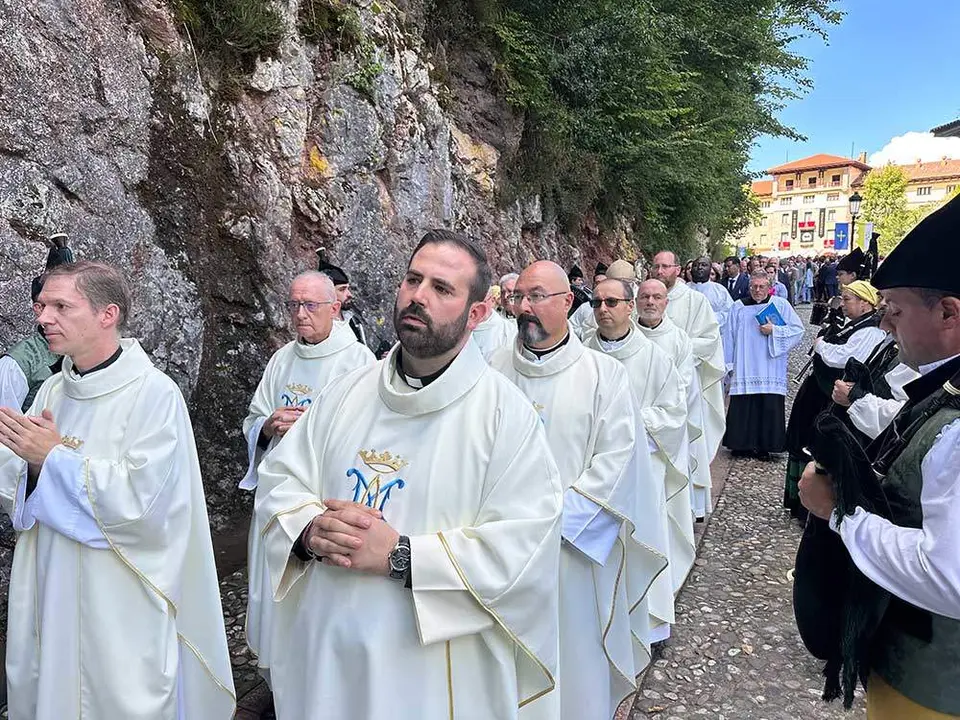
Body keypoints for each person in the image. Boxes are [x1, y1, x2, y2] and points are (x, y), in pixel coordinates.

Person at [255, 230, 562, 720]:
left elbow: (525, 547)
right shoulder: (344, 394)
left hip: (432, 675)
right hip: (327, 654)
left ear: (478, 313)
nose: (418, 295)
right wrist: (308, 528)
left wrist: (402, 556)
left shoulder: (505, 416)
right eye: (413, 279)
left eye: (442, 288)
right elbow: (281, 481)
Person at [0, 261, 235, 719]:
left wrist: (52, 459)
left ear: (108, 314)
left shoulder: (154, 395)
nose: (44, 318)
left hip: (120, 600)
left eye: (61, 306)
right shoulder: (52, 389)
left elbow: (144, 504)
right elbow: (24, 483)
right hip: (53, 587)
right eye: (42, 305)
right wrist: (28, 466)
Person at [799, 194, 960, 719]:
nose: (886, 325)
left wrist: (840, 514)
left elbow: (948, 576)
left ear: (948, 312)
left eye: (894, 310)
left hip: (935, 690)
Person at [490, 261, 658, 720]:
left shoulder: (603, 376)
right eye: (519, 296)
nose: (525, 307)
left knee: (572, 664)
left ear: (567, 302)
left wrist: (549, 522)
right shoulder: (489, 372)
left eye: (538, 296)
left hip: (570, 551)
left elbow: (618, 463)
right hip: (497, 551)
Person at [240, 271, 375, 685]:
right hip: (277, 495)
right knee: (269, 584)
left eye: (310, 305)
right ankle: (272, 677)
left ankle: (311, 678)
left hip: (318, 498)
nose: (300, 315)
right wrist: (266, 425)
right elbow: (253, 417)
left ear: (335, 307)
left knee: (308, 594)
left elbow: (367, 434)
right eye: (293, 305)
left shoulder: (357, 362)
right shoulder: (282, 359)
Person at [585, 278, 688, 641]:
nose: (603, 309)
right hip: (591, 472)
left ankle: (650, 628)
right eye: (596, 302)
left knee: (642, 540)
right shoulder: (581, 354)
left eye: (612, 302)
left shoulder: (654, 358)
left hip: (641, 468)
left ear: (629, 306)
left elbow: (674, 414)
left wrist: (628, 421)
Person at [784, 280, 887, 521]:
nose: (842, 304)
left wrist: (821, 346)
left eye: (848, 299)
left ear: (865, 303)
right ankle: (799, 500)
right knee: (803, 438)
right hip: (819, 393)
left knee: (820, 446)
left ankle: (813, 506)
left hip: (832, 399)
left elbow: (843, 358)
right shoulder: (854, 325)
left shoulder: (870, 331)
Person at [634, 279, 702, 582]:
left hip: (660, 437)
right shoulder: (620, 337)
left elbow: (682, 387)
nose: (650, 302)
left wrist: (642, 419)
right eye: (645, 297)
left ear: (666, 302)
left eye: (657, 297)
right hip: (619, 440)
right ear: (635, 302)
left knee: (658, 511)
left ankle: (660, 574)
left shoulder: (678, 340)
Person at [651, 251, 725, 519]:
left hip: (686, 385)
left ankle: (690, 508)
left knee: (688, 445)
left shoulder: (695, 301)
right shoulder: (646, 298)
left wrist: (675, 347)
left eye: (665, 266)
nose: (660, 271)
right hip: (652, 386)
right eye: (656, 266)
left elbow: (710, 339)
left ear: (678, 269)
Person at [721, 272, 804, 458]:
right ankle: (740, 443)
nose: (757, 290)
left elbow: (798, 330)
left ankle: (766, 445)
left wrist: (774, 330)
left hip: (770, 366)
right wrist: (728, 363)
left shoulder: (780, 305)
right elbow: (729, 336)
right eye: (754, 287)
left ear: (769, 287)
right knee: (744, 405)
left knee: (768, 405)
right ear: (749, 286)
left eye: (761, 287)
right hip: (745, 364)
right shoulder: (738, 307)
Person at [0, 234, 74, 411]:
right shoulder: (16, 365)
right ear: (39, 309)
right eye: (61, 305)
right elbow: (5, 434)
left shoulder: (88, 354)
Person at [317, 248, 367, 345]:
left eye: (348, 289)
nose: (349, 294)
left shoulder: (353, 321)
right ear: (327, 292)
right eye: (342, 289)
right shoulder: (319, 327)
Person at [690, 256, 733, 346]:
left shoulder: (720, 290)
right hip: (688, 338)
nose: (699, 267)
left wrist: (709, 320)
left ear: (710, 270)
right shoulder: (683, 289)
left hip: (714, 338)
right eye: (696, 265)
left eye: (704, 265)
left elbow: (729, 313)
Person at [471, 286, 517, 361]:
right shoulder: (461, 326)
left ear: (492, 300)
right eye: (472, 301)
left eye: (482, 301)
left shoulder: (508, 330)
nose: (475, 307)